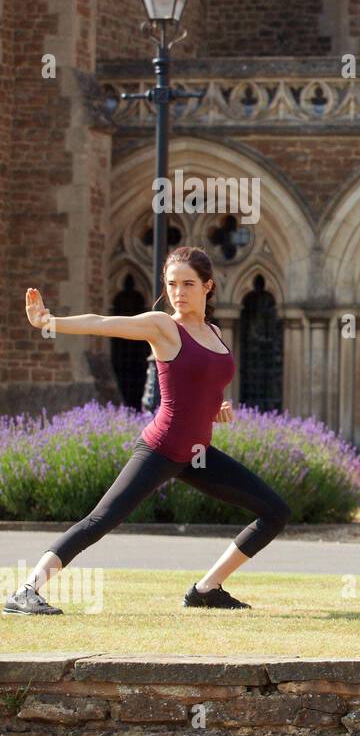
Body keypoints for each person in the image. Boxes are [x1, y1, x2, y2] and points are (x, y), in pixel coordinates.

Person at [3, 246, 291, 616]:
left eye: (188, 284)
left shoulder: (215, 333)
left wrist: (212, 410)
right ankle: (27, 591)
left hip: (196, 455)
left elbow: (204, 383)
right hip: (160, 449)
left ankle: (206, 589)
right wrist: (49, 322)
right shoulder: (163, 326)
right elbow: (104, 323)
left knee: (275, 512)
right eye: (171, 284)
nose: (178, 292)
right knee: (100, 520)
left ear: (208, 286)